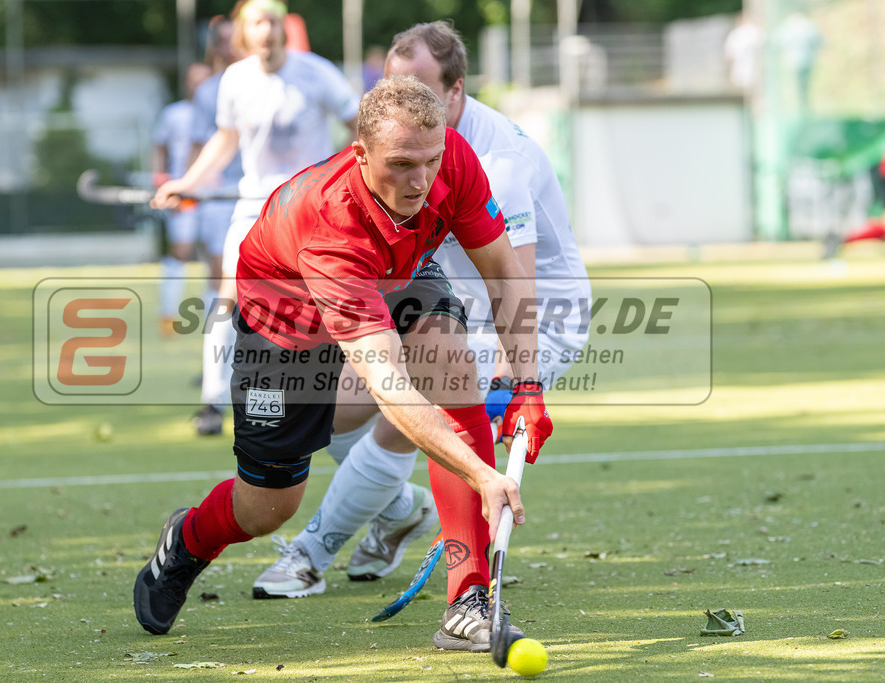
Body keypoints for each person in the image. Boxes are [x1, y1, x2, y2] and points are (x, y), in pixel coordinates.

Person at [135, 75, 552, 653]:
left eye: (428, 162)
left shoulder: (447, 157)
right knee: (269, 508)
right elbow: (390, 388)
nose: (420, 181)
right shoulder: (333, 229)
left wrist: (528, 385)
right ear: (361, 155)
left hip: (399, 271)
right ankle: (187, 540)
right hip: (286, 320)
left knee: (452, 369)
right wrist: (483, 475)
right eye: (402, 164)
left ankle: (467, 600)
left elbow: (504, 270)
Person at [252, 21, 591, 643]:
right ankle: (399, 509)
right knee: (332, 412)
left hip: (530, 317)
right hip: (445, 297)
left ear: (455, 93)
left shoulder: (499, 163)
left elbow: (514, 281)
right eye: (390, 86)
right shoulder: (405, 142)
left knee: (414, 409)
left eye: (419, 88)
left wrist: (526, 384)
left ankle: (315, 555)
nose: (402, 102)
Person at [155, 0, 360, 436]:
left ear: (283, 27)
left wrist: (337, 174)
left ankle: (337, 400)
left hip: (313, 211)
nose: (265, 30)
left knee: (327, 308)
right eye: (255, 23)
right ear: (244, 33)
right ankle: (211, 403)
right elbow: (225, 141)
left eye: (271, 21)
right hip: (254, 209)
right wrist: (187, 182)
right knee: (227, 303)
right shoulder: (235, 79)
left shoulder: (316, 72)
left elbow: (359, 124)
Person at [153, 62, 213, 336]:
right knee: (181, 250)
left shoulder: (219, 113)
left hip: (215, 195)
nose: (198, 86)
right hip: (184, 194)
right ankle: (168, 314)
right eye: (193, 80)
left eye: (203, 80)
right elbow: (159, 148)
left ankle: (215, 323)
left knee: (218, 258)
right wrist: (161, 180)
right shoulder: (174, 114)